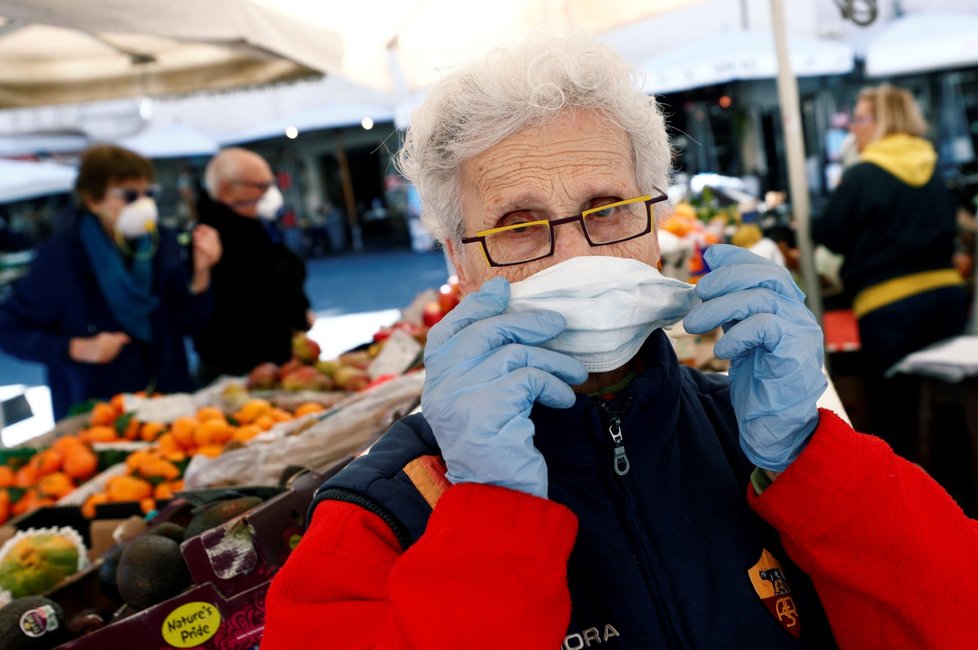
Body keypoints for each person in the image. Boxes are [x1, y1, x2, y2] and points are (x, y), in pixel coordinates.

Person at [261, 36, 978, 649]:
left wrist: (814, 463)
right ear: (459, 259)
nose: (574, 254)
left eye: (607, 210)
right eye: (517, 223)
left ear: (655, 222)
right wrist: (488, 516)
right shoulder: (379, 514)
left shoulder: (762, 443)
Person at [0, 145, 221, 419]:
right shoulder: (61, 258)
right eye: (129, 196)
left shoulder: (162, 243)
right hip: (99, 409)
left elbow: (191, 322)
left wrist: (202, 273)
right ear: (93, 200)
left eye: (148, 194)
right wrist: (77, 348)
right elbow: (9, 329)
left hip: (168, 400)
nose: (143, 204)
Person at [812, 84, 969, 459]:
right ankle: (960, 496)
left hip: (889, 306)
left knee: (893, 416)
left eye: (860, 118)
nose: (852, 128)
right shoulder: (933, 164)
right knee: (948, 407)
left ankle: (904, 505)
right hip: (947, 297)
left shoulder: (864, 173)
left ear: (884, 121)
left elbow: (828, 232)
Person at [192, 147, 314, 385]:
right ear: (228, 190)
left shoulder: (256, 226)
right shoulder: (211, 238)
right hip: (237, 374)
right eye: (262, 186)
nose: (270, 193)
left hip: (272, 366)